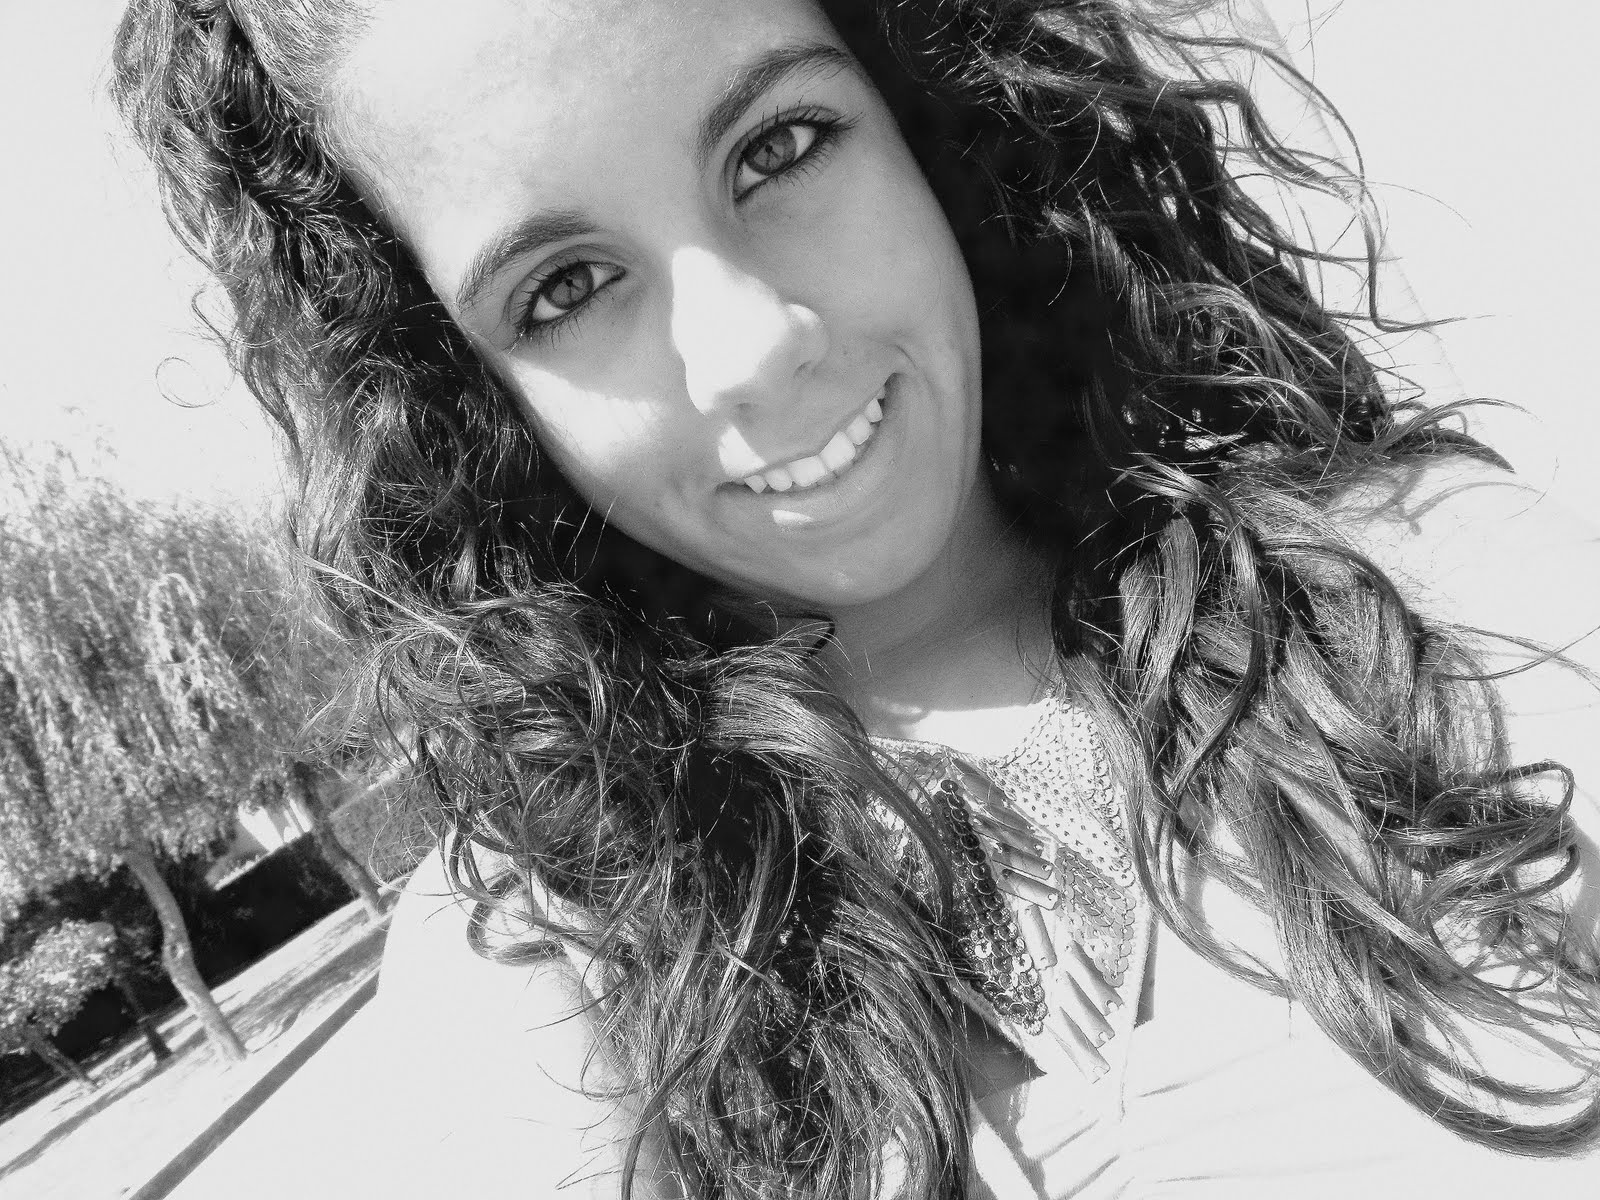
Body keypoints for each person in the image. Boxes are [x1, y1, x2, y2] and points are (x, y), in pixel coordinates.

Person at [112, 0, 1600, 1196]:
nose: (754, 346)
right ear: (470, 396)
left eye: (780, 148)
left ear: (921, 103)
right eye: (565, 289)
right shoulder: (547, 964)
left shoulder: (1417, 597)